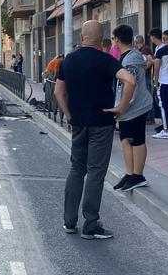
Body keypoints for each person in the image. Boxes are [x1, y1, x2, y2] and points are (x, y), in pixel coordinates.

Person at [55, 20, 135, 240]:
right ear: (102, 40)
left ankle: (69, 221)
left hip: (78, 123)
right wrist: (121, 107)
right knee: (96, 172)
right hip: (102, 123)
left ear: (82, 37)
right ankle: (91, 224)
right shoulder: (106, 60)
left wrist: (69, 115)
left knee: (76, 169)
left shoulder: (68, 61)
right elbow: (130, 80)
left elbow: (58, 92)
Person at [110, 25, 154, 192]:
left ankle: (138, 175)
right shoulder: (129, 56)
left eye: (114, 38)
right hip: (129, 107)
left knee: (136, 140)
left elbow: (131, 86)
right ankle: (130, 174)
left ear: (118, 39)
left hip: (135, 107)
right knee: (125, 140)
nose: (113, 41)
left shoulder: (131, 59)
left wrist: (122, 106)